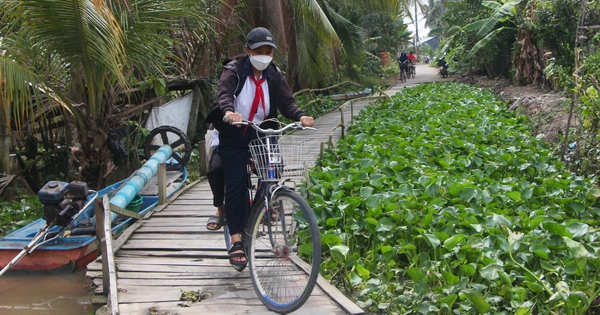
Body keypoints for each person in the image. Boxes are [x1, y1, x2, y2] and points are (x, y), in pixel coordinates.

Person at [206, 27, 314, 271]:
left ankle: (264, 205)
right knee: (234, 185)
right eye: (258, 51)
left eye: (268, 51)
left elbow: (286, 101)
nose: (264, 56)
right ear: (248, 51)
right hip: (234, 132)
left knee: (273, 170)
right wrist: (228, 112)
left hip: (263, 132)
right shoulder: (233, 70)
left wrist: (300, 116)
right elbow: (224, 94)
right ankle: (235, 240)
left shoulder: (274, 74)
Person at [205, 126, 225, 231]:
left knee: (272, 166)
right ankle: (220, 208)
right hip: (227, 139)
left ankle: (266, 205)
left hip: (258, 138)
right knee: (216, 170)